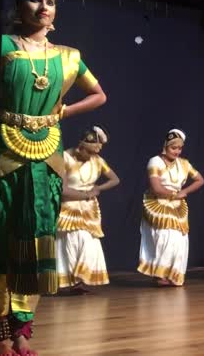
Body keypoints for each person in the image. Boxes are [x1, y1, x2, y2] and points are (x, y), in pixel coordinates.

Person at [0, 0, 107, 356]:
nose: (43, 6)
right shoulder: (2, 45)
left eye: (50, 0)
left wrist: (63, 112)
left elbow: (99, 95)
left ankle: (22, 331)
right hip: (3, 150)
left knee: (37, 241)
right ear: (18, 5)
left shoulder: (69, 57)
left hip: (47, 155)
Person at [56, 125, 120, 294]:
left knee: (88, 243)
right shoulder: (65, 158)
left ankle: (79, 280)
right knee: (72, 241)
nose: (93, 156)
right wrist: (84, 195)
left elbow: (115, 179)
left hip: (89, 209)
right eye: (89, 152)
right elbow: (63, 190)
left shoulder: (97, 160)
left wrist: (98, 189)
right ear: (80, 146)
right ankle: (69, 280)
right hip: (69, 207)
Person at [138, 129, 204, 286]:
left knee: (179, 240)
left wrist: (185, 191)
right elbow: (156, 187)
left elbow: (200, 180)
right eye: (173, 148)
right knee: (164, 237)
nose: (177, 151)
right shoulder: (155, 161)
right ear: (166, 146)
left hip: (176, 205)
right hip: (158, 203)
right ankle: (160, 274)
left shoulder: (184, 164)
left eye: (179, 148)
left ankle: (173, 275)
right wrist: (175, 194)